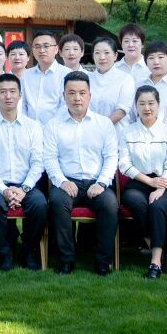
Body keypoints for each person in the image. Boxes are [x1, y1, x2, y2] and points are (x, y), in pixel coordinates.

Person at [44, 71, 119, 276]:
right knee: (58, 202)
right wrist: (61, 181)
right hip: (68, 181)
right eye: (71, 93)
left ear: (89, 95)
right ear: (64, 95)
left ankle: (103, 262)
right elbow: (49, 158)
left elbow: (111, 157)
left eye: (82, 93)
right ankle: (66, 261)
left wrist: (101, 183)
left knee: (110, 205)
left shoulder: (103, 124)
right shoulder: (53, 125)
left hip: (96, 182)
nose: (77, 98)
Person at [0, 74, 46, 272]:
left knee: (40, 205)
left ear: (20, 95)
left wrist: (24, 189)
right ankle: (4, 252)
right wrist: (4, 190)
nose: (8, 96)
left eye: (13, 91)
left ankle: (27, 251)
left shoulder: (33, 127)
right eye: (3, 92)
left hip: (26, 184)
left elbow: (38, 163)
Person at [117, 85, 167, 279]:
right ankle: (158, 252)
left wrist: (159, 187)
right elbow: (124, 164)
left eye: (151, 103)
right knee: (138, 204)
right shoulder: (127, 132)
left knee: (157, 206)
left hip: (165, 183)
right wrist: (149, 182)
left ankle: (155, 261)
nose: (147, 108)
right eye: (142, 103)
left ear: (158, 105)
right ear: (136, 106)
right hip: (137, 182)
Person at [21, 31, 70, 124]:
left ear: (56, 49)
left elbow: (65, 105)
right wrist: (27, 125)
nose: (42, 50)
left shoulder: (66, 74)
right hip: (29, 128)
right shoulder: (26, 75)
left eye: (46, 46)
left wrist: (52, 127)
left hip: (57, 127)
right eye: (37, 47)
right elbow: (22, 104)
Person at [87, 36, 134, 124]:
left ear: (115, 55)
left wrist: (102, 127)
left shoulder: (126, 79)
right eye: (97, 53)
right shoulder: (86, 79)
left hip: (116, 130)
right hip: (88, 128)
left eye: (106, 53)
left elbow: (122, 110)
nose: (102, 57)